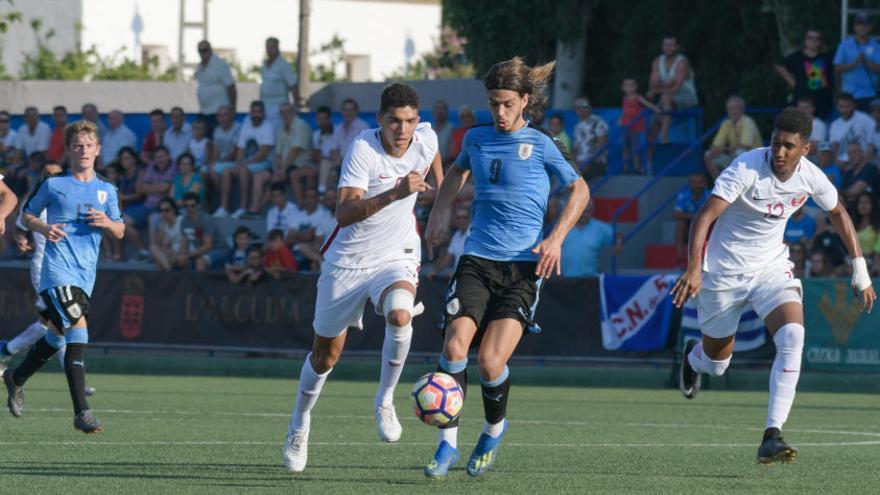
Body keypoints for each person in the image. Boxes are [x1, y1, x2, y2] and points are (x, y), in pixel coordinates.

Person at [671, 107, 876, 464]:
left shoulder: (811, 176)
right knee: (718, 365)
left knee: (793, 336)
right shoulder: (746, 168)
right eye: (775, 143)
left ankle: (772, 434)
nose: (779, 153)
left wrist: (860, 268)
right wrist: (693, 269)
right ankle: (694, 357)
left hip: (770, 269)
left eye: (788, 147)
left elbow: (839, 212)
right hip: (723, 274)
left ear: (805, 149)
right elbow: (704, 216)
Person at [423, 57, 589, 479]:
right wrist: (440, 213)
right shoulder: (476, 139)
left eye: (507, 104)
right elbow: (456, 174)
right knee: (455, 348)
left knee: (491, 364)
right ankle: (446, 447)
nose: (499, 113)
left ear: (526, 101)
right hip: (477, 259)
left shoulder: (543, 143)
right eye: (493, 103)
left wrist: (555, 238)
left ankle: (493, 431)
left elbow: (579, 189)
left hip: (521, 269)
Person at [282, 82, 444, 473]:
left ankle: (385, 401)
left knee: (401, 313)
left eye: (408, 121)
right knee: (325, 357)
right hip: (347, 262)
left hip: (397, 254)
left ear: (417, 120)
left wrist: (439, 207)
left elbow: (439, 179)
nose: (401, 130)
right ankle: (299, 423)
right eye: (393, 121)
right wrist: (395, 192)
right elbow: (344, 213)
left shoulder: (427, 138)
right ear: (380, 121)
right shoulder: (362, 149)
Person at [5, 120, 125, 433]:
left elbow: (121, 229)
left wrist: (107, 223)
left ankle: (16, 377)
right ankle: (81, 413)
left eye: (88, 145)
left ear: (98, 150)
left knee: (56, 335)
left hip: (86, 275)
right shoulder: (53, 184)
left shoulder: (107, 190)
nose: (83, 150)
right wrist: (44, 228)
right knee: (78, 330)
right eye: (77, 145)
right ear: (68, 151)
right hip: (55, 272)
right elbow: (27, 215)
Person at [215, 101, 274, 219]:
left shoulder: (268, 126)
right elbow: (241, 149)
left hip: (264, 163)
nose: (256, 115)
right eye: (253, 112)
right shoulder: (246, 125)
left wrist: (243, 164)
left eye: (259, 112)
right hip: (247, 163)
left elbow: (263, 153)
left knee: (242, 170)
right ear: (250, 113)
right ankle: (223, 208)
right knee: (226, 171)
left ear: (264, 113)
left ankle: (242, 207)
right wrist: (238, 163)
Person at [647, 35, 698, 143]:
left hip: (687, 96)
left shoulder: (682, 62)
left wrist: (659, 88)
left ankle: (664, 134)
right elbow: (652, 85)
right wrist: (669, 84)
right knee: (654, 122)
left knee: (665, 99)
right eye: (665, 45)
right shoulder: (657, 61)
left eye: (671, 45)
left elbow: (676, 89)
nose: (668, 48)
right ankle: (648, 159)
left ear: (677, 47)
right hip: (666, 98)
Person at [775, 29, 835, 119]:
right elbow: (779, 66)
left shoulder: (827, 57)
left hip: (823, 101)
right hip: (802, 101)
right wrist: (792, 82)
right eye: (810, 38)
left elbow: (836, 71)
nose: (813, 41)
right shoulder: (796, 57)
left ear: (820, 42)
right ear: (805, 40)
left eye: (816, 39)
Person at [704, 95, 763, 178]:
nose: (732, 111)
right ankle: (720, 186)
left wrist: (724, 149)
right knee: (708, 155)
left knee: (740, 152)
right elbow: (715, 145)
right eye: (730, 109)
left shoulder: (747, 122)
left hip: (753, 158)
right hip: (733, 155)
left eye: (735, 108)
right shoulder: (726, 123)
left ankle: (738, 186)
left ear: (741, 109)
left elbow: (745, 146)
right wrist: (715, 150)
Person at [319, 99, 370, 193]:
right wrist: (338, 159)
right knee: (325, 163)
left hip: (355, 162)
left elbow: (363, 150)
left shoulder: (363, 127)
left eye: (351, 110)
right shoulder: (339, 128)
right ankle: (322, 191)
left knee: (333, 171)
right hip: (340, 161)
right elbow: (333, 149)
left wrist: (343, 159)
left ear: (356, 111)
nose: (348, 113)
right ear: (342, 112)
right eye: (346, 110)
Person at [560, 201, 621, 277]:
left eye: (588, 211)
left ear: (592, 212)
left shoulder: (599, 227)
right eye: (582, 210)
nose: (584, 214)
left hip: (590, 279)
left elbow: (618, 235)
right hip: (566, 279)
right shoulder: (563, 226)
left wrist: (618, 244)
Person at [834, 13, 880, 111]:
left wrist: (867, 62)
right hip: (849, 95)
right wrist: (854, 64)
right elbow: (837, 67)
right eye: (859, 24)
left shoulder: (876, 46)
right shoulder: (844, 45)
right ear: (855, 27)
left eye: (866, 24)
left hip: (869, 94)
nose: (862, 27)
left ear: (870, 27)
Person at [272, 102, 312, 205]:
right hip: (288, 165)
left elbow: (295, 151)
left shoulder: (301, 125)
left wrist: (283, 170)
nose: (285, 115)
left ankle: (301, 206)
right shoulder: (281, 128)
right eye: (282, 113)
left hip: (302, 164)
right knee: (262, 176)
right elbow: (278, 153)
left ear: (294, 113)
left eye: (287, 112)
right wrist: (278, 168)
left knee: (287, 176)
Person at [619, 77, 660, 174]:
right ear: (623, 87)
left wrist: (656, 109)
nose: (629, 88)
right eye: (626, 85)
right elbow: (625, 111)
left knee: (635, 148)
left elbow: (648, 104)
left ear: (636, 87)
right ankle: (625, 167)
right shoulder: (624, 98)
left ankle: (637, 168)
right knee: (625, 148)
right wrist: (620, 119)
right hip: (626, 126)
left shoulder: (638, 97)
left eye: (631, 85)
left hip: (635, 127)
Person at [260, 37, 301, 131]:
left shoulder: (284, 65)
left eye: (272, 47)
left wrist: (295, 106)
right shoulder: (264, 66)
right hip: (265, 106)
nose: (269, 50)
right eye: (268, 47)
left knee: (277, 132)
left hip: (279, 107)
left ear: (278, 48)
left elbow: (293, 85)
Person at [195, 40, 236, 132]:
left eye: (205, 50)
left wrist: (232, 108)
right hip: (204, 112)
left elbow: (231, 87)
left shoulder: (220, 64)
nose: (202, 53)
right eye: (200, 51)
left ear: (210, 50)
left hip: (218, 114)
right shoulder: (199, 66)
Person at [178, 192, 225, 271]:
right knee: (180, 261)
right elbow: (184, 244)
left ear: (198, 206)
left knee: (200, 262)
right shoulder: (184, 222)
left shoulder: (206, 219)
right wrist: (182, 256)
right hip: (202, 252)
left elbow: (208, 246)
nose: (189, 208)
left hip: (219, 250)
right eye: (186, 206)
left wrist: (187, 256)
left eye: (192, 206)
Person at [205, 105, 240, 203]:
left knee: (217, 170)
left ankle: (222, 200)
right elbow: (216, 149)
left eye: (225, 115)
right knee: (204, 170)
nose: (222, 118)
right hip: (221, 162)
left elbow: (236, 151)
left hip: (234, 162)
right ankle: (205, 204)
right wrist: (212, 162)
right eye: (219, 116)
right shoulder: (217, 130)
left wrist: (221, 161)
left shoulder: (238, 128)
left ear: (231, 115)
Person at [829, 93, 874, 163]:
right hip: (843, 164)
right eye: (841, 106)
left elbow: (871, 145)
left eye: (848, 106)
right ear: (837, 107)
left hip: (862, 162)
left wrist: (863, 164)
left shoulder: (865, 119)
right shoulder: (834, 125)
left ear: (854, 105)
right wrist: (839, 164)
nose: (845, 109)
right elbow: (834, 148)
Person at [572, 97, 609, 179]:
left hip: (595, 163)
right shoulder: (577, 127)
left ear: (590, 107)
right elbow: (575, 149)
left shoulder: (598, 122)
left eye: (584, 106)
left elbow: (602, 144)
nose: (581, 109)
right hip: (579, 164)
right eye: (578, 107)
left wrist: (587, 162)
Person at [149, 197, 185, 271]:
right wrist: (162, 225)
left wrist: (178, 253)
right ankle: (169, 272)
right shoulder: (165, 225)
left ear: (174, 210)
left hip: (183, 253)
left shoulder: (181, 221)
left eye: (167, 210)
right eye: (161, 211)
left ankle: (169, 273)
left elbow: (185, 243)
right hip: (171, 253)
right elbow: (158, 244)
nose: (164, 213)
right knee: (153, 248)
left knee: (159, 263)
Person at [840, 140, 878, 207]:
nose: (851, 156)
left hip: (871, 212)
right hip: (850, 210)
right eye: (849, 153)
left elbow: (855, 191)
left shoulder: (871, 168)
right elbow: (842, 195)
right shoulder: (848, 173)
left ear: (862, 153)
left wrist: (844, 194)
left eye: (854, 152)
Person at [432, 100, 454, 166]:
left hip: (446, 166)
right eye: (437, 108)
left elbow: (451, 152)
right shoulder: (429, 130)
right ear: (433, 112)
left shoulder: (452, 129)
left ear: (446, 112)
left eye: (442, 108)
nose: (439, 111)